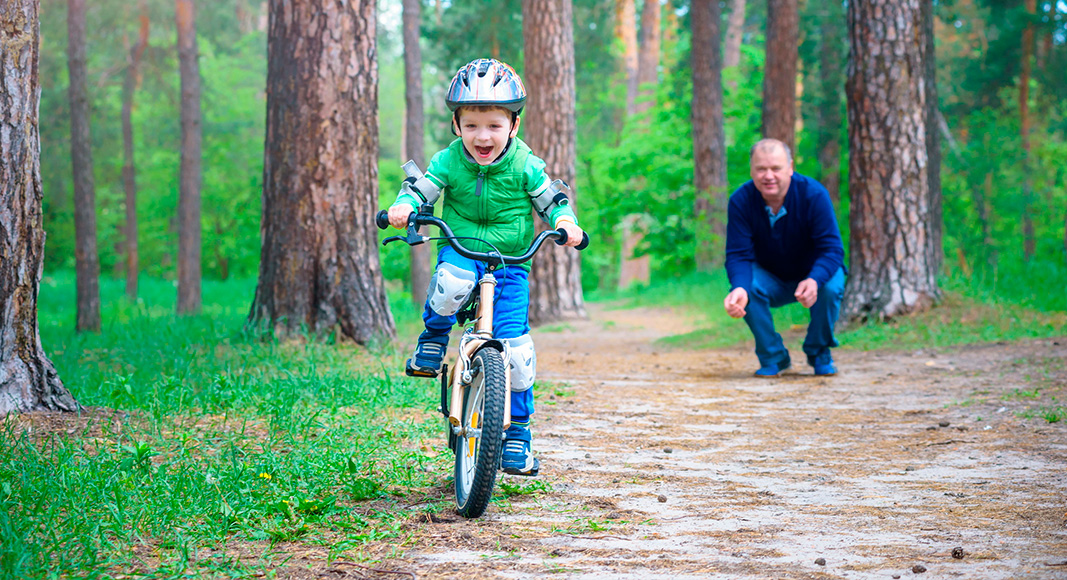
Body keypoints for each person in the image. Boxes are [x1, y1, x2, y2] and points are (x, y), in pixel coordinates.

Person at [386, 58, 584, 476]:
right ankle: (435, 336)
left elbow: (552, 200)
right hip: (461, 250)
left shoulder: (526, 164)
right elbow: (422, 190)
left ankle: (518, 437)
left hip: (510, 265)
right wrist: (404, 207)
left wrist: (566, 224)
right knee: (451, 282)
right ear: (456, 125)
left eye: (494, 125)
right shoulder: (448, 160)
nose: (483, 135)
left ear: (513, 125)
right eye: (472, 125)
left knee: (517, 354)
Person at [723, 138, 846, 377]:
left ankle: (819, 351)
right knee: (747, 287)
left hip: (813, 274)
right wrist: (738, 287)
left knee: (831, 286)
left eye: (776, 168)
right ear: (752, 170)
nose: (768, 176)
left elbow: (832, 249)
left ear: (790, 168)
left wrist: (814, 279)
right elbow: (738, 255)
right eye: (761, 169)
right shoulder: (740, 201)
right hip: (771, 277)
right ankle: (773, 357)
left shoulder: (814, 195)